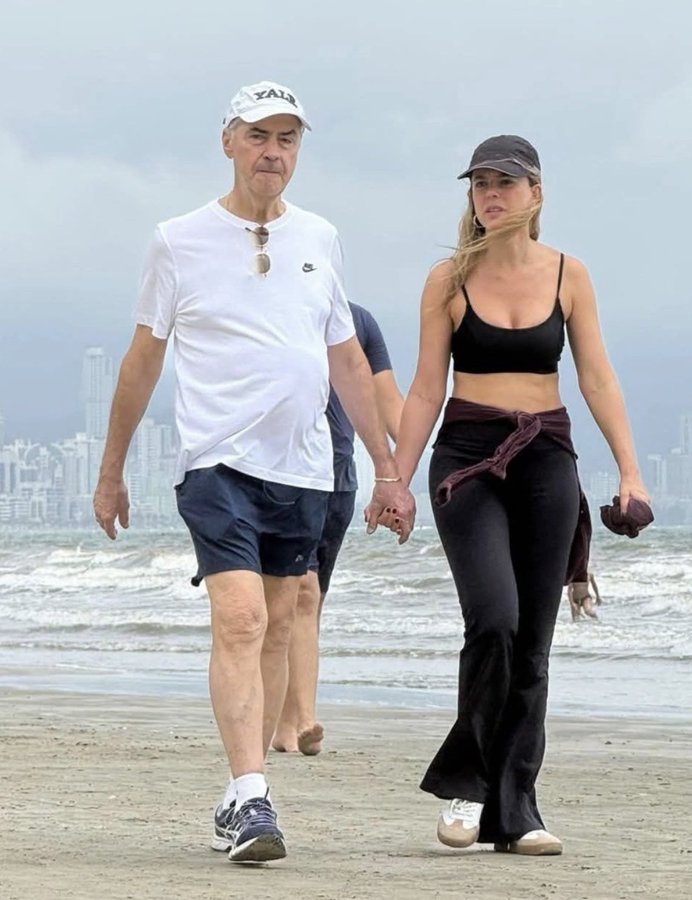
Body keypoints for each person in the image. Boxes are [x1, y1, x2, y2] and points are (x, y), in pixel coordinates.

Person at [92, 80, 415, 865]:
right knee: (239, 620)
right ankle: (249, 795)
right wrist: (111, 472)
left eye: (288, 139)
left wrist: (385, 469)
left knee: (274, 626)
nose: (273, 152)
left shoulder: (321, 237)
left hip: (303, 468)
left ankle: (243, 792)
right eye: (258, 135)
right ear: (228, 142)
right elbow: (143, 359)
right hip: (216, 463)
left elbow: (347, 358)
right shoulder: (178, 239)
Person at [386, 135, 650, 856]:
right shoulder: (446, 278)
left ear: (537, 194)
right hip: (466, 462)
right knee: (494, 620)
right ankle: (468, 790)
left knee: (533, 644)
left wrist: (629, 470)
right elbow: (422, 388)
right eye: (480, 184)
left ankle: (517, 810)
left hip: (546, 459)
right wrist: (395, 479)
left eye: (506, 182)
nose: (491, 194)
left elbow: (597, 377)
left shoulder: (570, 275)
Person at [272, 302, 404, 755]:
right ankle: (306, 718)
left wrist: (399, 476)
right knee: (302, 594)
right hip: (286, 476)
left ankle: (287, 723)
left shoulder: (361, 322)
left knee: (307, 604)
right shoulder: (280, 309)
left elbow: (388, 401)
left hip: (339, 483)